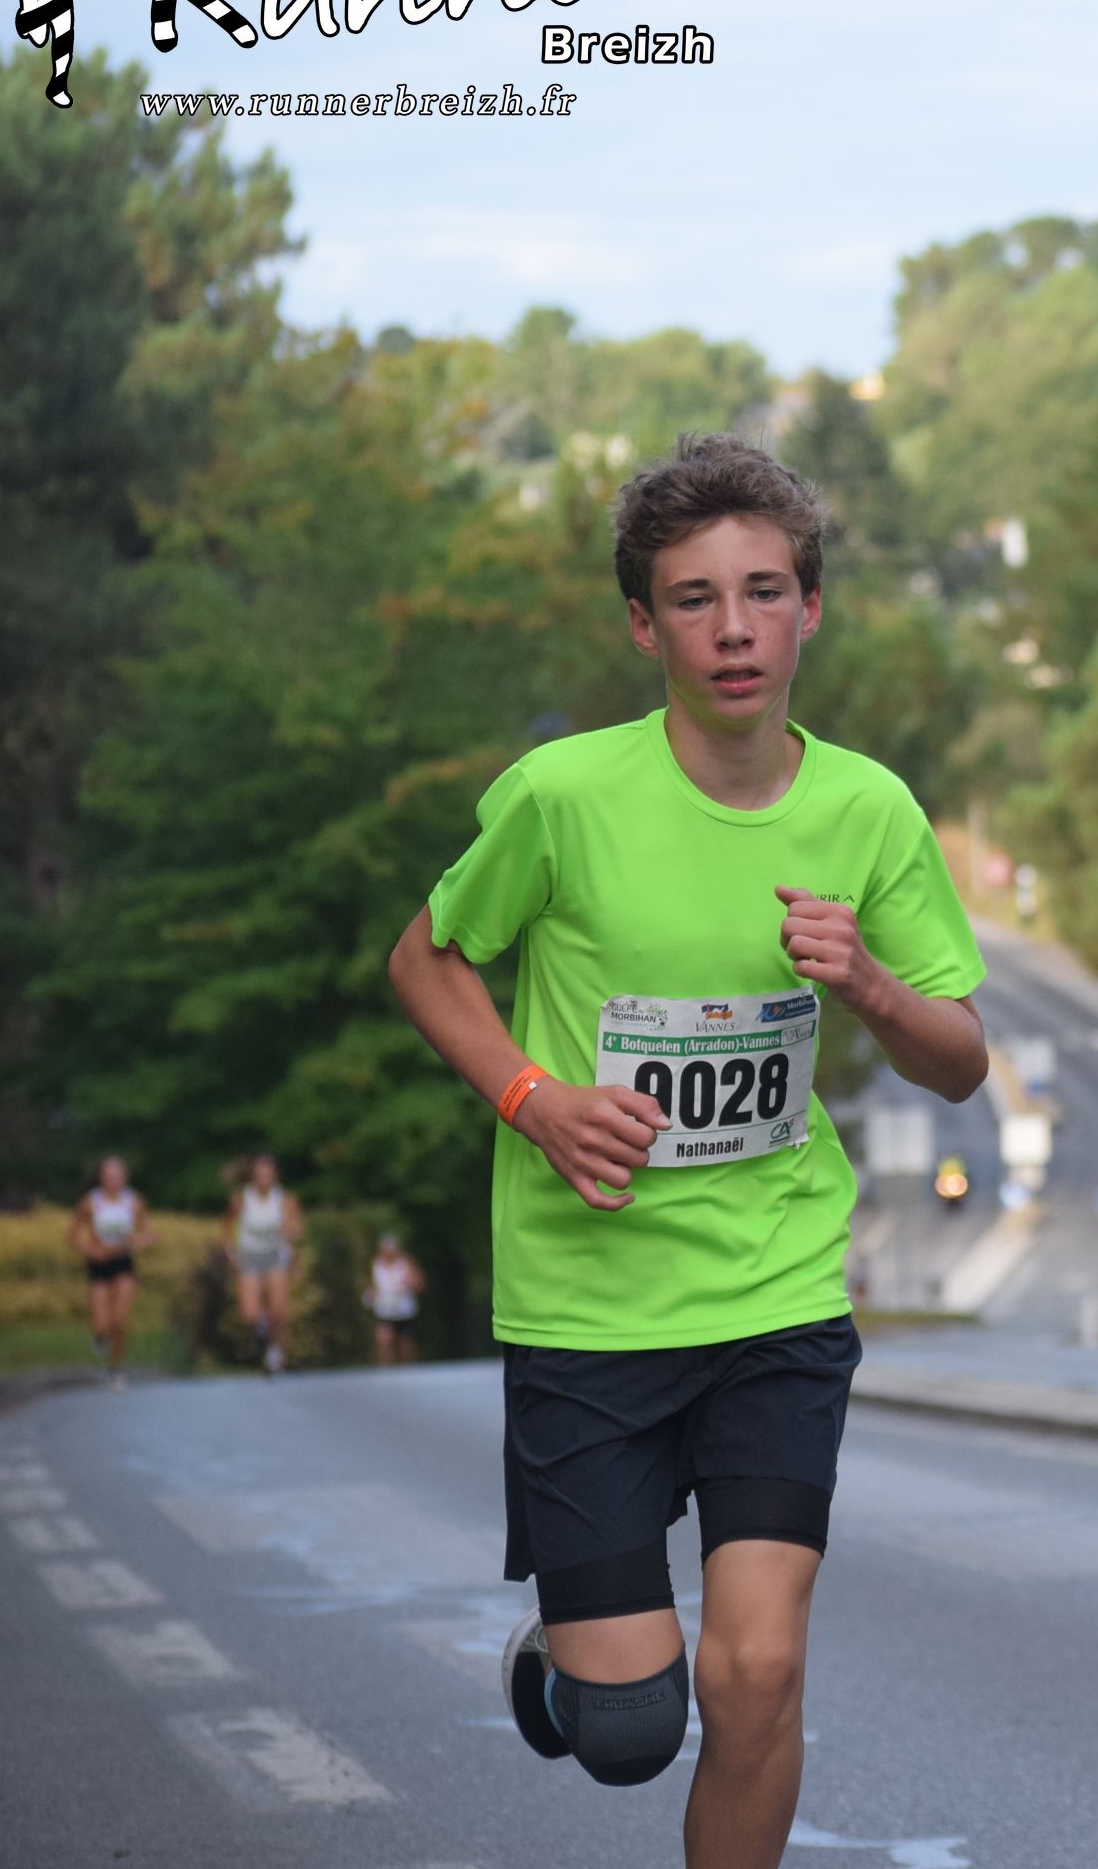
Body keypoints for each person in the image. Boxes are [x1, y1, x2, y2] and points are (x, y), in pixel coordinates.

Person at [387, 432, 989, 1869]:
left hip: (775, 1296)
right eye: (695, 598)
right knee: (630, 1728)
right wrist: (533, 1096)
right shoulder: (562, 797)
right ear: (642, 625)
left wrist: (870, 986)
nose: (734, 628)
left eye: (764, 591)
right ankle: (568, 1661)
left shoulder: (868, 810)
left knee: (758, 1672)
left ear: (810, 609)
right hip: (588, 1307)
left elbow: (961, 1058)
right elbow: (425, 961)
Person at [65, 1155, 149, 1389]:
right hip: (99, 1264)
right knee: (102, 1324)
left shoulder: (134, 1201)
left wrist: (138, 1242)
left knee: (120, 1321)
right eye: (109, 1177)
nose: (114, 1181)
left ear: (125, 1178)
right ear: (101, 1178)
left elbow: (144, 1232)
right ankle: (101, 1336)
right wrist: (91, 1251)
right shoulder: (90, 1202)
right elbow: (72, 1236)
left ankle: (116, 1367)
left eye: (118, 1177)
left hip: (123, 1262)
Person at [222, 1151, 305, 1375]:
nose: (264, 1180)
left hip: (275, 1255)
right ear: (253, 1177)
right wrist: (230, 1252)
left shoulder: (284, 1200)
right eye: (260, 1175)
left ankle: (275, 1353)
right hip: (250, 1256)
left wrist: (295, 1245)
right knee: (250, 1314)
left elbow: (295, 1228)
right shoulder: (241, 1199)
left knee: (279, 1311)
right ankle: (262, 1332)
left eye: (268, 1175)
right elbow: (227, 1229)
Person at [366, 1232, 426, 1366]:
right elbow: (372, 1286)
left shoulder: (406, 1262)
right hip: (385, 1309)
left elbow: (419, 1283)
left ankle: (407, 1368)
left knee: (405, 1342)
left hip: (404, 1309)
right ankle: (387, 1369)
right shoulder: (376, 1264)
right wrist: (371, 1296)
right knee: (384, 1339)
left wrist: (411, 1283)